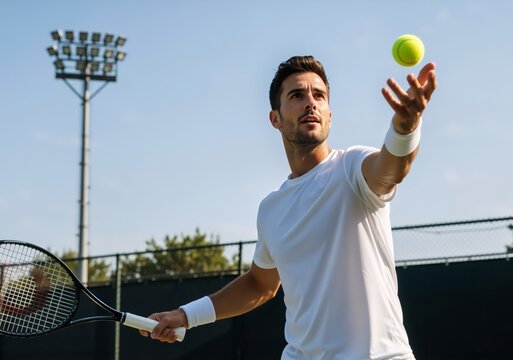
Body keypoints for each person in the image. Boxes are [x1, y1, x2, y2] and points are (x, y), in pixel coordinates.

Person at [142, 55, 437, 359]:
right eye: (297, 95)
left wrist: (405, 126)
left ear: (329, 115)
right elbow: (260, 284)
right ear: (275, 118)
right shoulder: (271, 208)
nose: (310, 102)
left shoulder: (352, 167)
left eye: (318, 95)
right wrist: (185, 315)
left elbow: (391, 169)